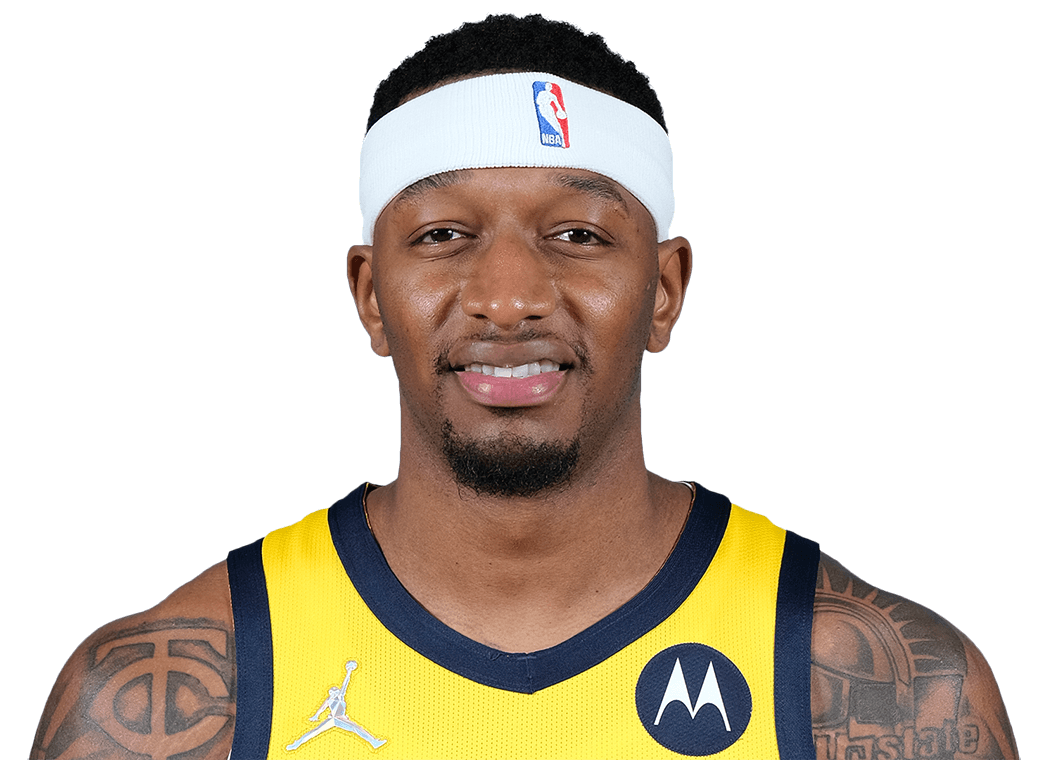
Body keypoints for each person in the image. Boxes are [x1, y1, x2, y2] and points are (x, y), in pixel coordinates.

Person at [31, 13, 1018, 760]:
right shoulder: (174, 702)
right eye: (442, 236)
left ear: (665, 289)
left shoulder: (883, 695)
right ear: (370, 295)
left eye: (577, 235)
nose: (507, 300)